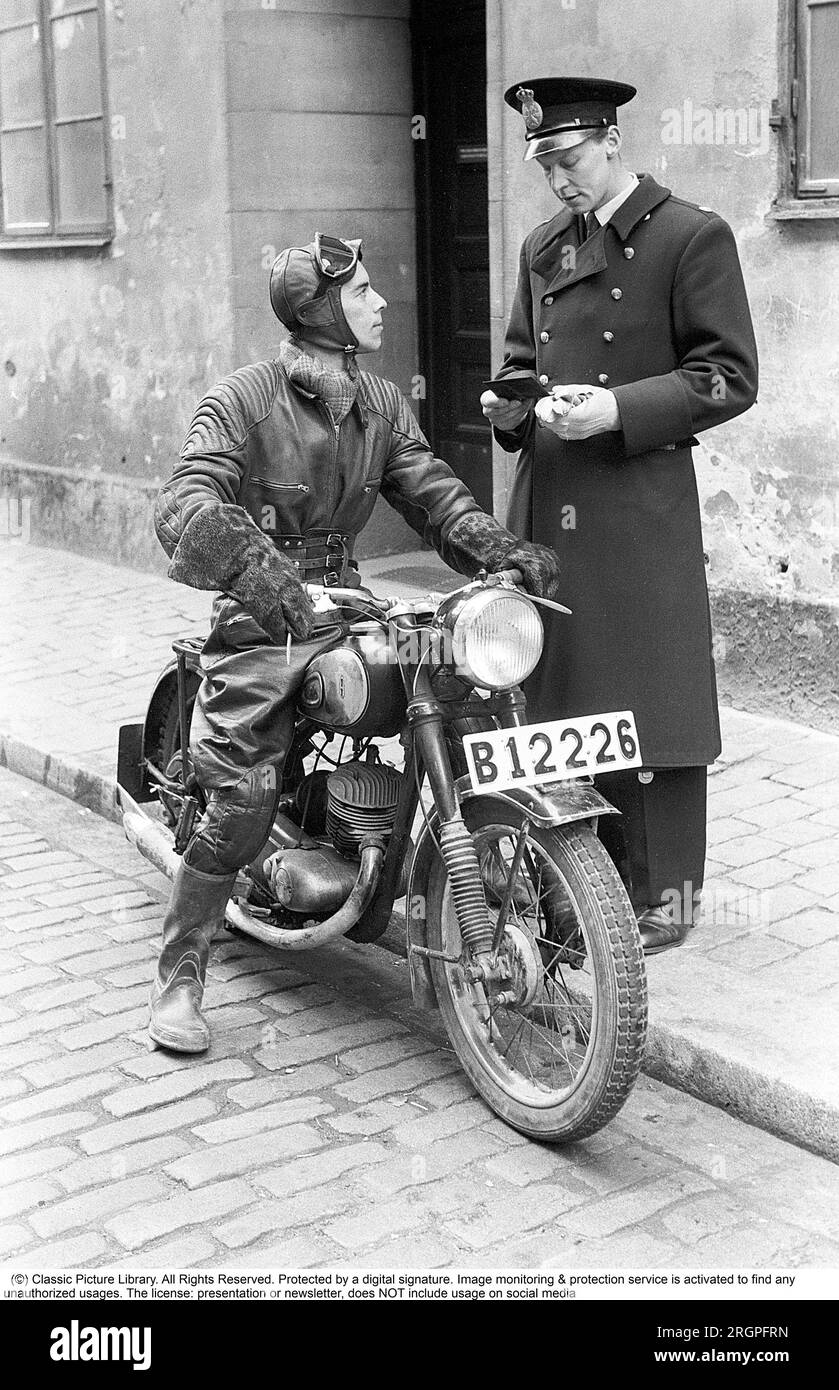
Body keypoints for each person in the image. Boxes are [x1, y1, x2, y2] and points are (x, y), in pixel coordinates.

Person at [149, 232, 560, 1053]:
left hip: (347, 600)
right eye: (363, 292)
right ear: (321, 309)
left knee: (452, 689)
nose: (379, 304)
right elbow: (184, 505)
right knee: (241, 793)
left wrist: (498, 551)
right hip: (263, 615)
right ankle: (180, 977)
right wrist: (267, 585)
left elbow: (432, 492)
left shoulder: (379, 404)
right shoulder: (243, 399)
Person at [482, 78, 759, 956]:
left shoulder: (688, 236)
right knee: (562, 690)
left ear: (607, 140)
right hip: (551, 500)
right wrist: (509, 409)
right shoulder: (542, 247)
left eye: (567, 160)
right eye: (545, 166)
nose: (558, 181)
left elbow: (726, 377)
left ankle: (663, 898)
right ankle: (577, 881)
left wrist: (617, 410)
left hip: (638, 504)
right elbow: (521, 362)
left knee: (653, 699)